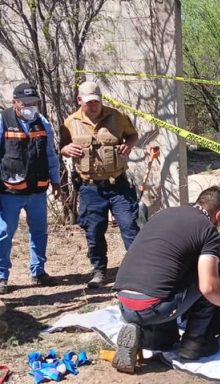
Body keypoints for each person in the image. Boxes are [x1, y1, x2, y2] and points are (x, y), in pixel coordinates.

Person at [112, 186, 220, 374]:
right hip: (154, 306)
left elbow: (165, 268)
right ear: (219, 214)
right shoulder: (208, 230)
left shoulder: (164, 214)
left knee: (167, 342)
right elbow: (209, 287)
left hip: (125, 303)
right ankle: (195, 342)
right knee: (218, 264)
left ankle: (147, 336)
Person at [60, 81, 139, 288]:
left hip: (118, 184)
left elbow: (133, 135)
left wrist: (128, 145)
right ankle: (99, 271)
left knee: (129, 226)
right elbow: (61, 146)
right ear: (79, 101)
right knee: (93, 230)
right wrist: (67, 149)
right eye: (89, 102)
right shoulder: (70, 122)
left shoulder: (117, 117)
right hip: (90, 187)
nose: (94, 106)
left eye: (96, 101)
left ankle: (139, 270)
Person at [0, 83, 61, 294]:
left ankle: (38, 271)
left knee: (39, 231)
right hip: (10, 191)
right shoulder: (3, 121)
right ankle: (1, 276)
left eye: (34, 103)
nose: (30, 107)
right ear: (15, 103)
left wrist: (56, 181)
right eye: (25, 103)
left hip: (37, 190)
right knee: (4, 233)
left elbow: (50, 155)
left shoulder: (42, 123)